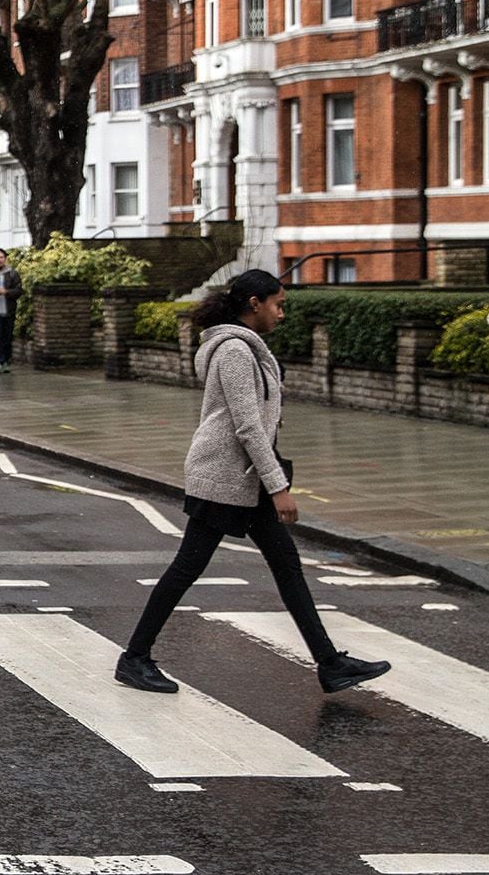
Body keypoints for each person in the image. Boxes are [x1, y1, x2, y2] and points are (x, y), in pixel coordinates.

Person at [116, 270, 391, 695]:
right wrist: (278, 485)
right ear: (254, 304)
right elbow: (247, 427)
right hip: (224, 477)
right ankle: (134, 658)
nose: (282, 314)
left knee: (287, 567)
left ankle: (330, 664)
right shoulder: (234, 352)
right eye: (278, 305)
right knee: (187, 567)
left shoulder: (244, 348)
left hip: (246, 478)